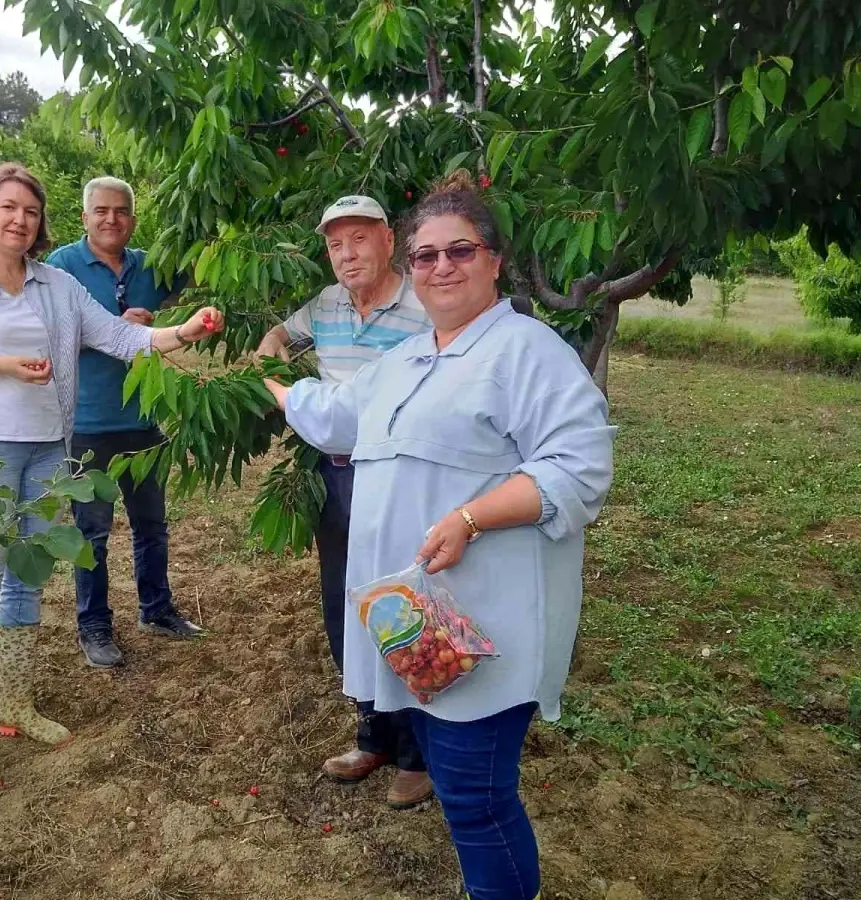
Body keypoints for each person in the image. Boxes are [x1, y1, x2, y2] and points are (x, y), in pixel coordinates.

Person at [263, 171, 615, 900]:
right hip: (419, 623)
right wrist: (266, 381)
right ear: (412, 269)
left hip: (485, 624)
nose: (442, 266)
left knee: (476, 802)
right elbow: (334, 415)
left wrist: (470, 518)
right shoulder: (408, 357)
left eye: (461, 250)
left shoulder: (528, 351)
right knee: (463, 792)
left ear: (494, 261)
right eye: (426, 256)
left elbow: (579, 469)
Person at [0, 162, 223, 792]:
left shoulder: (56, 285)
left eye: (30, 211)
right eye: (8, 208)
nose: (19, 220)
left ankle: (14, 706)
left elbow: (119, 339)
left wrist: (184, 330)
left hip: (51, 450)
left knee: (27, 580)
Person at [256, 195, 434, 810]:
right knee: (345, 603)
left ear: (388, 240)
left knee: (402, 603)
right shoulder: (327, 305)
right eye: (336, 244)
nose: (347, 254)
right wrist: (272, 344)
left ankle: (417, 754)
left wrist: (285, 391)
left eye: (359, 239)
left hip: (398, 477)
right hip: (334, 477)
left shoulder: (422, 302)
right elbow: (279, 332)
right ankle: (372, 732)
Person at [47, 176, 201, 669]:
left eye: (121, 211)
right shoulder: (61, 268)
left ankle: (157, 609)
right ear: (85, 216)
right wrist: (111, 334)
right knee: (91, 533)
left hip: (142, 419)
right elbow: (44, 337)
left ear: (133, 219)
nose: (111, 219)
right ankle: (93, 626)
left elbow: (200, 261)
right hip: (86, 423)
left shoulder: (149, 267)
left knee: (151, 525)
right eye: (101, 210)